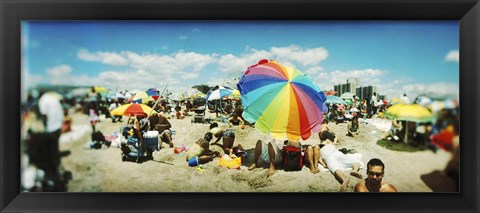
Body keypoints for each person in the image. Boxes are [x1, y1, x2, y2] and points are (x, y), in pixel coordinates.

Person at [37, 92, 65, 179]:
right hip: (58, 126)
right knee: (55, 148)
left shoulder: (42, 100)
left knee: (50, 150)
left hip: (51, 127)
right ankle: (57, 166)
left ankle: (54, 172)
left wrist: (44, 128)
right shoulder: (52, 98)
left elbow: (44, 115)